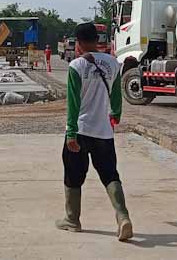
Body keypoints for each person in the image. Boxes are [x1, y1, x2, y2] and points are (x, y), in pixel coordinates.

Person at [55, 22, 132, 241]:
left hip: (80, 130)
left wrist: (70, 132)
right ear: (97, 41)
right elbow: (117, 95)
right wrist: (115, 114)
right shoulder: (113, 63)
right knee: (110, 175)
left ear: (78, 43)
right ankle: (123, 216)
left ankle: (72, 220)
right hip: (104, 132)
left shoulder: (76, 66)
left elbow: (73, 102)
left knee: (73, 175)